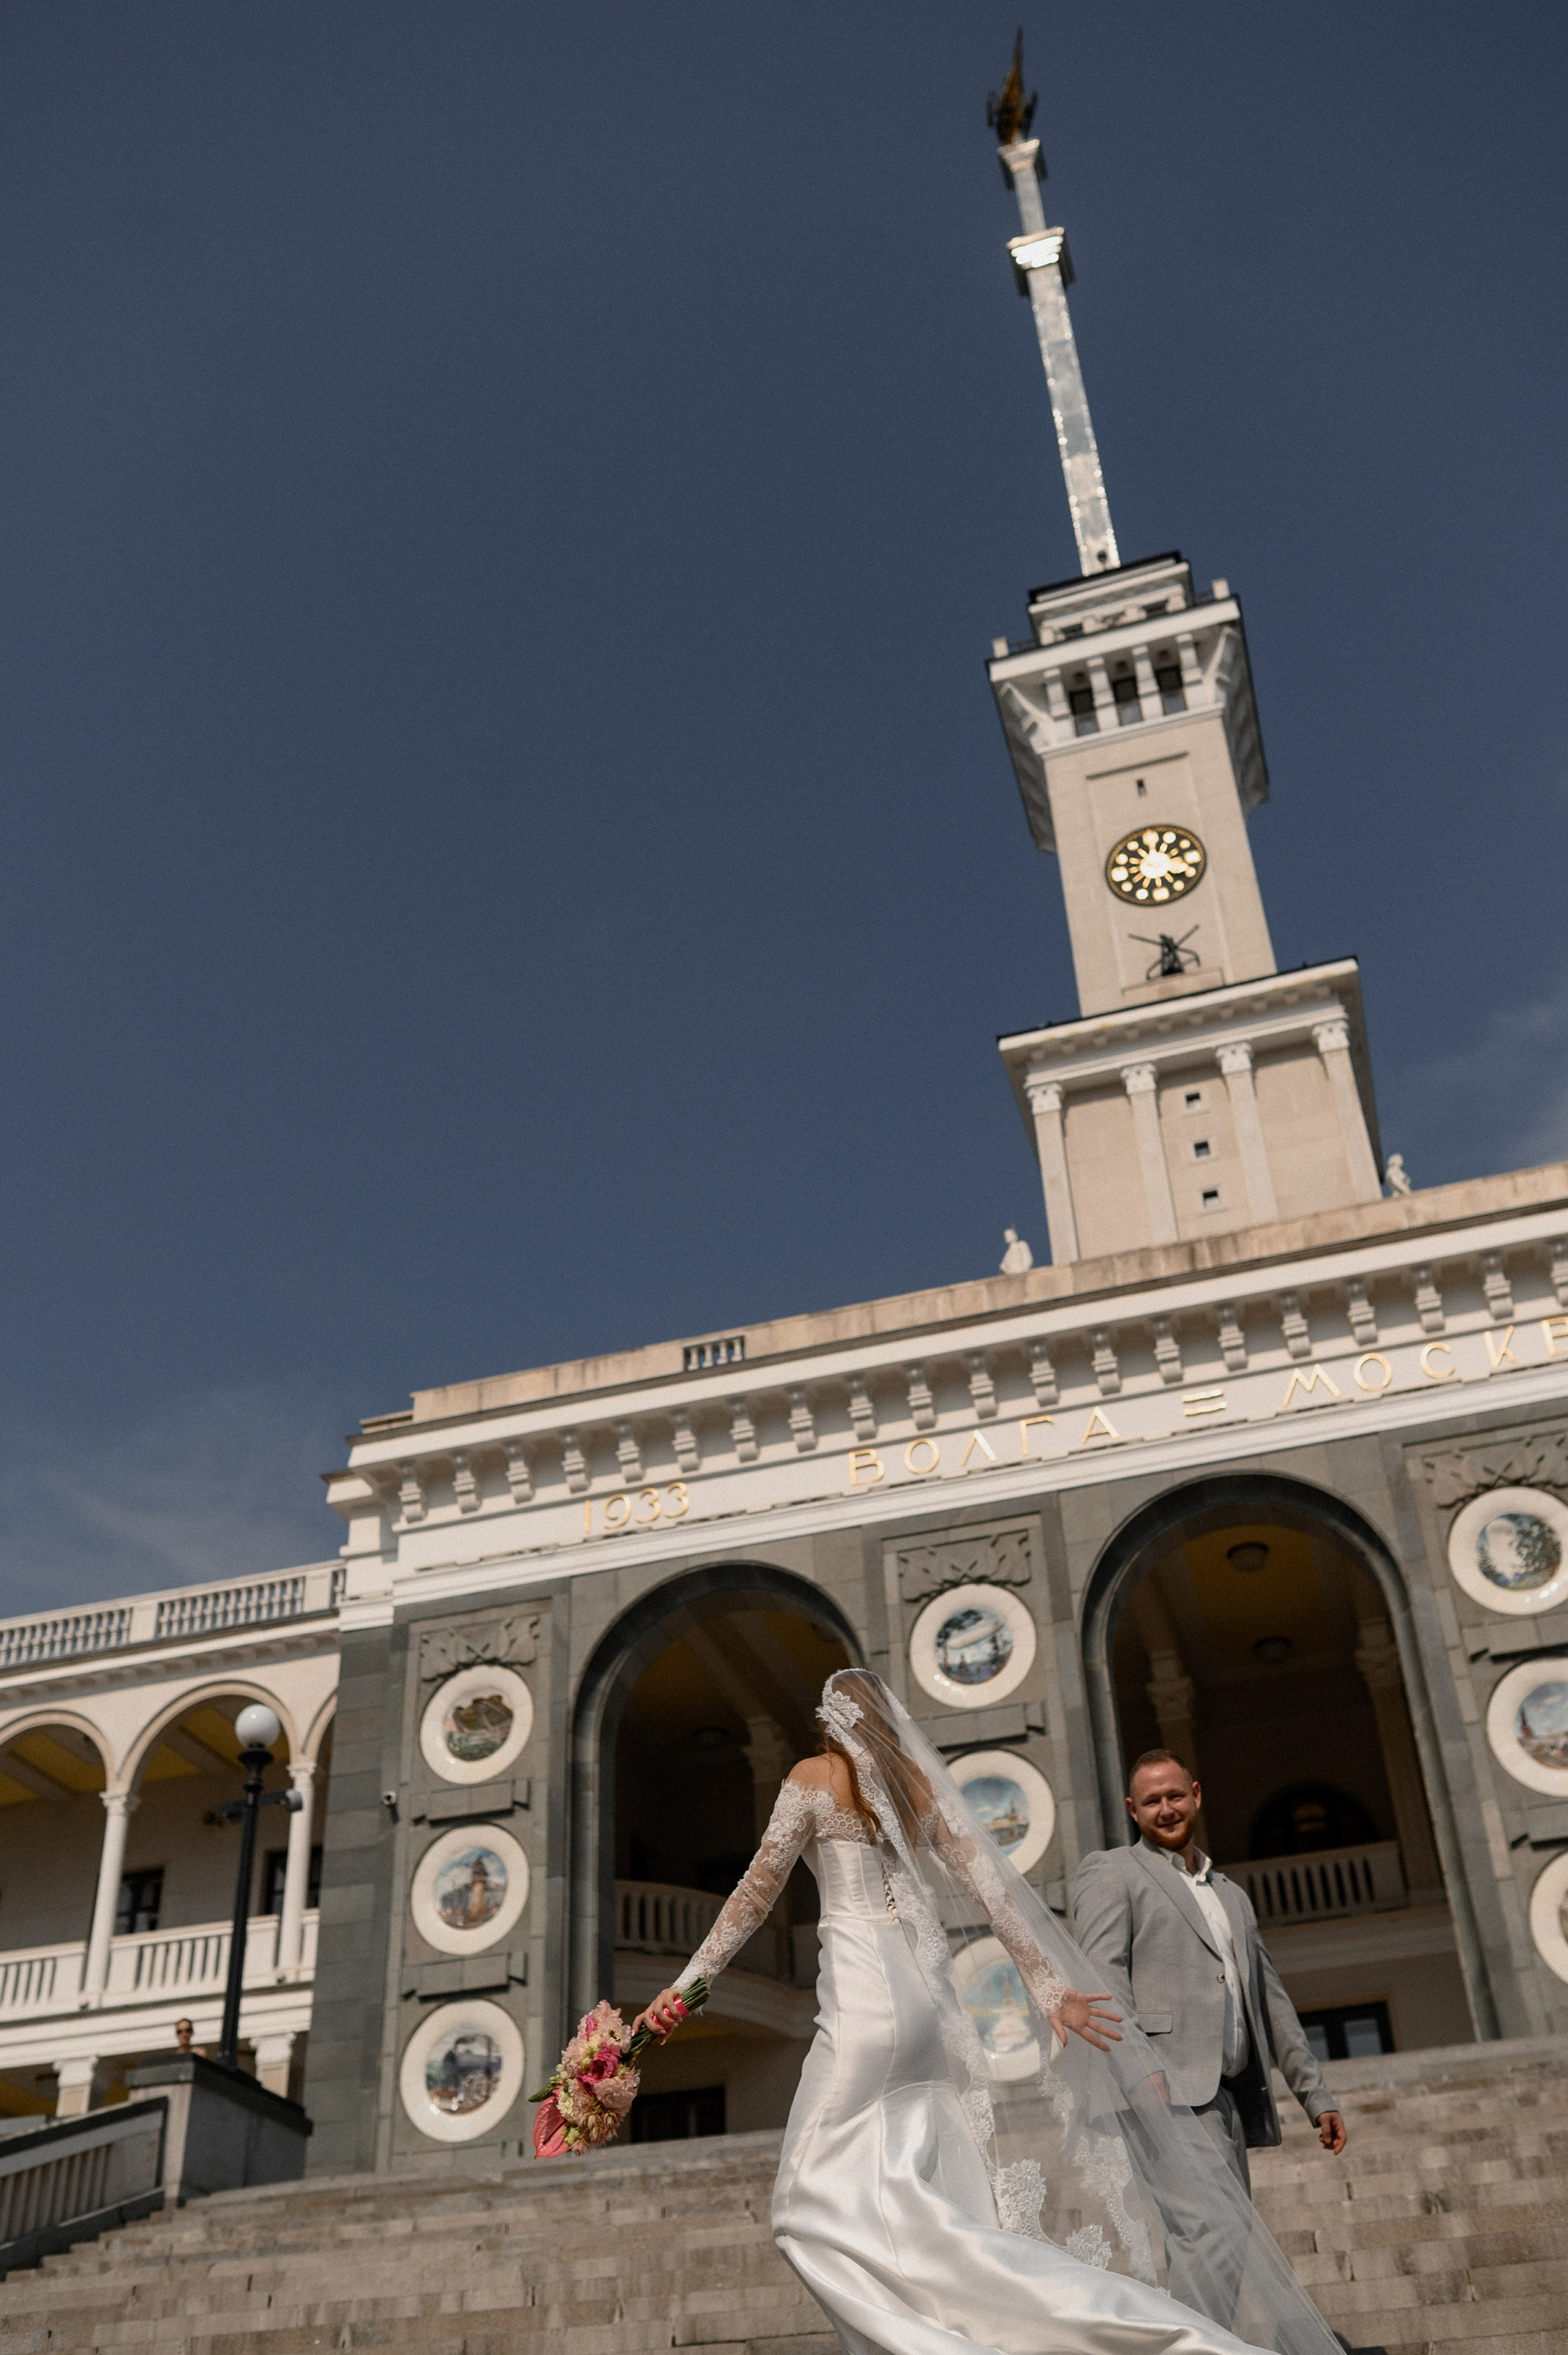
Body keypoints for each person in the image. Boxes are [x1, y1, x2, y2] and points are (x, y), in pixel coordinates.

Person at [635, 1670, 1343, 2355]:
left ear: (832, 1724)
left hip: (862, 2001)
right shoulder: (913, 1790)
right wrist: (1044, 1986)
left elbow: (755, 1894)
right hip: (925, 2011)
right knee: (917, 2203)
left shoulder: (813, 1777)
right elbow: (989, 1886)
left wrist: (687, 1989)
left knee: (798, 2204)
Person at [1072, 1751, 1347, 2203]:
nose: (1166, 1810)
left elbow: (1270, 2002)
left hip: (1232, 2094)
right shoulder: (1113, 1871)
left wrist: (1316, 2098)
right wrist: (1140, 2071)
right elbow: (1103, 1979)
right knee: (1209, 2235)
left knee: (1226, 2243)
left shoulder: (1231, 1895)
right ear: (1132, 1810)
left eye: (1175, 1796)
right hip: (1167, 2093)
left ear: (1196, 1796)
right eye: (1152, 1801)